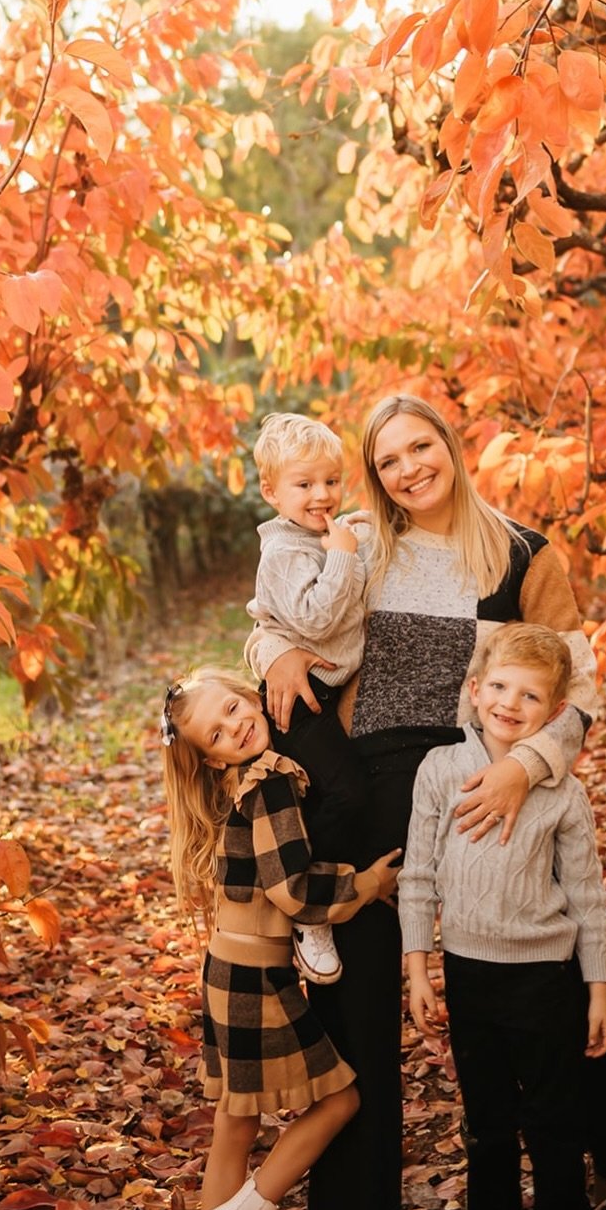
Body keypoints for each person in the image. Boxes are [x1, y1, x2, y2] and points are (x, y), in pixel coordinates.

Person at [249, 393, 606, 1210]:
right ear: (372, 474)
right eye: (389, 459)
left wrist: (526, 765)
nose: (409, 470)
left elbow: (580, 685)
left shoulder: (523, 554)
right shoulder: (364, 539)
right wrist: (266, 651)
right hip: (382, 776)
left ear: (450, 446)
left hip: (491, 769)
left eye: (421, 447)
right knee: (362, 985)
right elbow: (284, 598)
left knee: (587, 955)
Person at [160, 669, 400, 1210]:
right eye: (218, 730)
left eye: (234, 707)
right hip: (253, 981)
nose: (236, 723)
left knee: (236, 1122)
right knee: (341, 1098)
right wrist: (366, 882)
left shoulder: (242, 781)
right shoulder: (267, 781)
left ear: (248, 692)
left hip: (230, 966)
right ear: (211, 756)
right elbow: (293, 889)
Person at [401, 623, 606, 1210]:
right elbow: (417, 876)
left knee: (550, 1117)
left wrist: (598, 991)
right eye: (497, 686)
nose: (508, 702)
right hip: (467, 971)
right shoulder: (438, 769)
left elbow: (587, 895)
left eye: (528, 695)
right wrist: (417, 970)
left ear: (553, 714)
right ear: (473, 691)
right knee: (485, 1118)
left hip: (542, 977)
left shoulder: (559, 792)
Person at [246, 411, 368, 984]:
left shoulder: (319, 533)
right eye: (304, 484)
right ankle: (306, 908)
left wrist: (353, 531)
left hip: (326, 689)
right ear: (271, 491)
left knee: (328, 792)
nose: (322, 495)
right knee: (346, 793)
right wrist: (344, 552)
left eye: (331, 481)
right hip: (302, 696)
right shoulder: (287, 552)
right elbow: (317, 619)